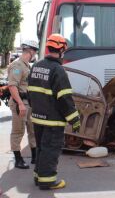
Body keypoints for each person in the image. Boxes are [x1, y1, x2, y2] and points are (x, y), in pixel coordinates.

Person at [27, 33, 81, 190]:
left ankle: (38, 176)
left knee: (42, 148)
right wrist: (74, 119)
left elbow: (30, 93)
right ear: (62, 50)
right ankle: (47, 181)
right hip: (53, 120)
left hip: (37, 118)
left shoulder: (36, 66)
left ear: (48, 47)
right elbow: (64, 98)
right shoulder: (58, 70)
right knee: (50, 149)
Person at [7, 40, 39, 169]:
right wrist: (20, 104)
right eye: (35, 51)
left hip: (28, 103)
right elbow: (12, 86)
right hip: (19, 103)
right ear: (31, 51)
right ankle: (18, 159)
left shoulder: (27, 66)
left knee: (32, 130)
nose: (35, 53)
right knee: (18, 131)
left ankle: (35, 157)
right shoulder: (17, 65)